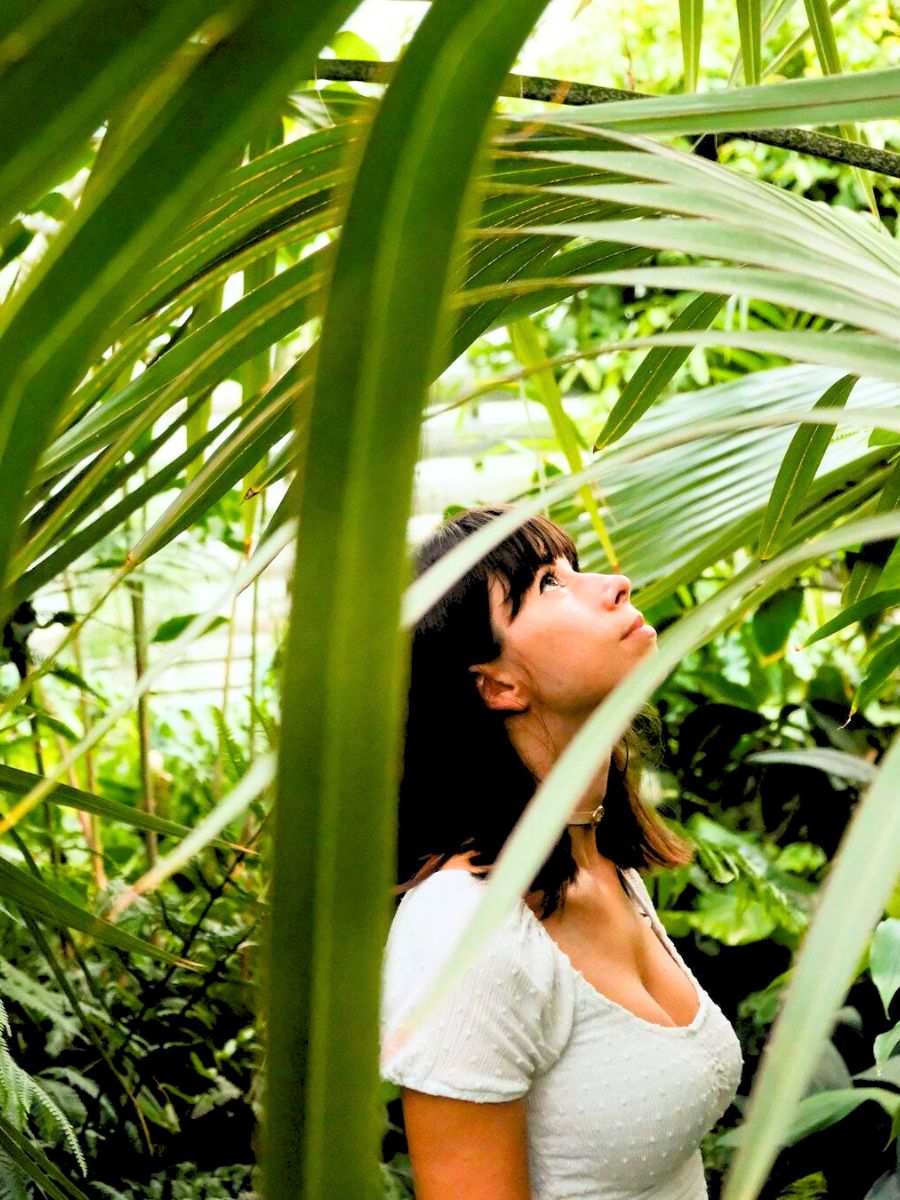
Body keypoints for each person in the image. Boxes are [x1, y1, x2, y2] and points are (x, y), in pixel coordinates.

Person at [380, 503, 744, 1200]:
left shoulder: (601, 860)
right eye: (549, 583)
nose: (615, 583)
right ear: (497, 684)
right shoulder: (464, 931)